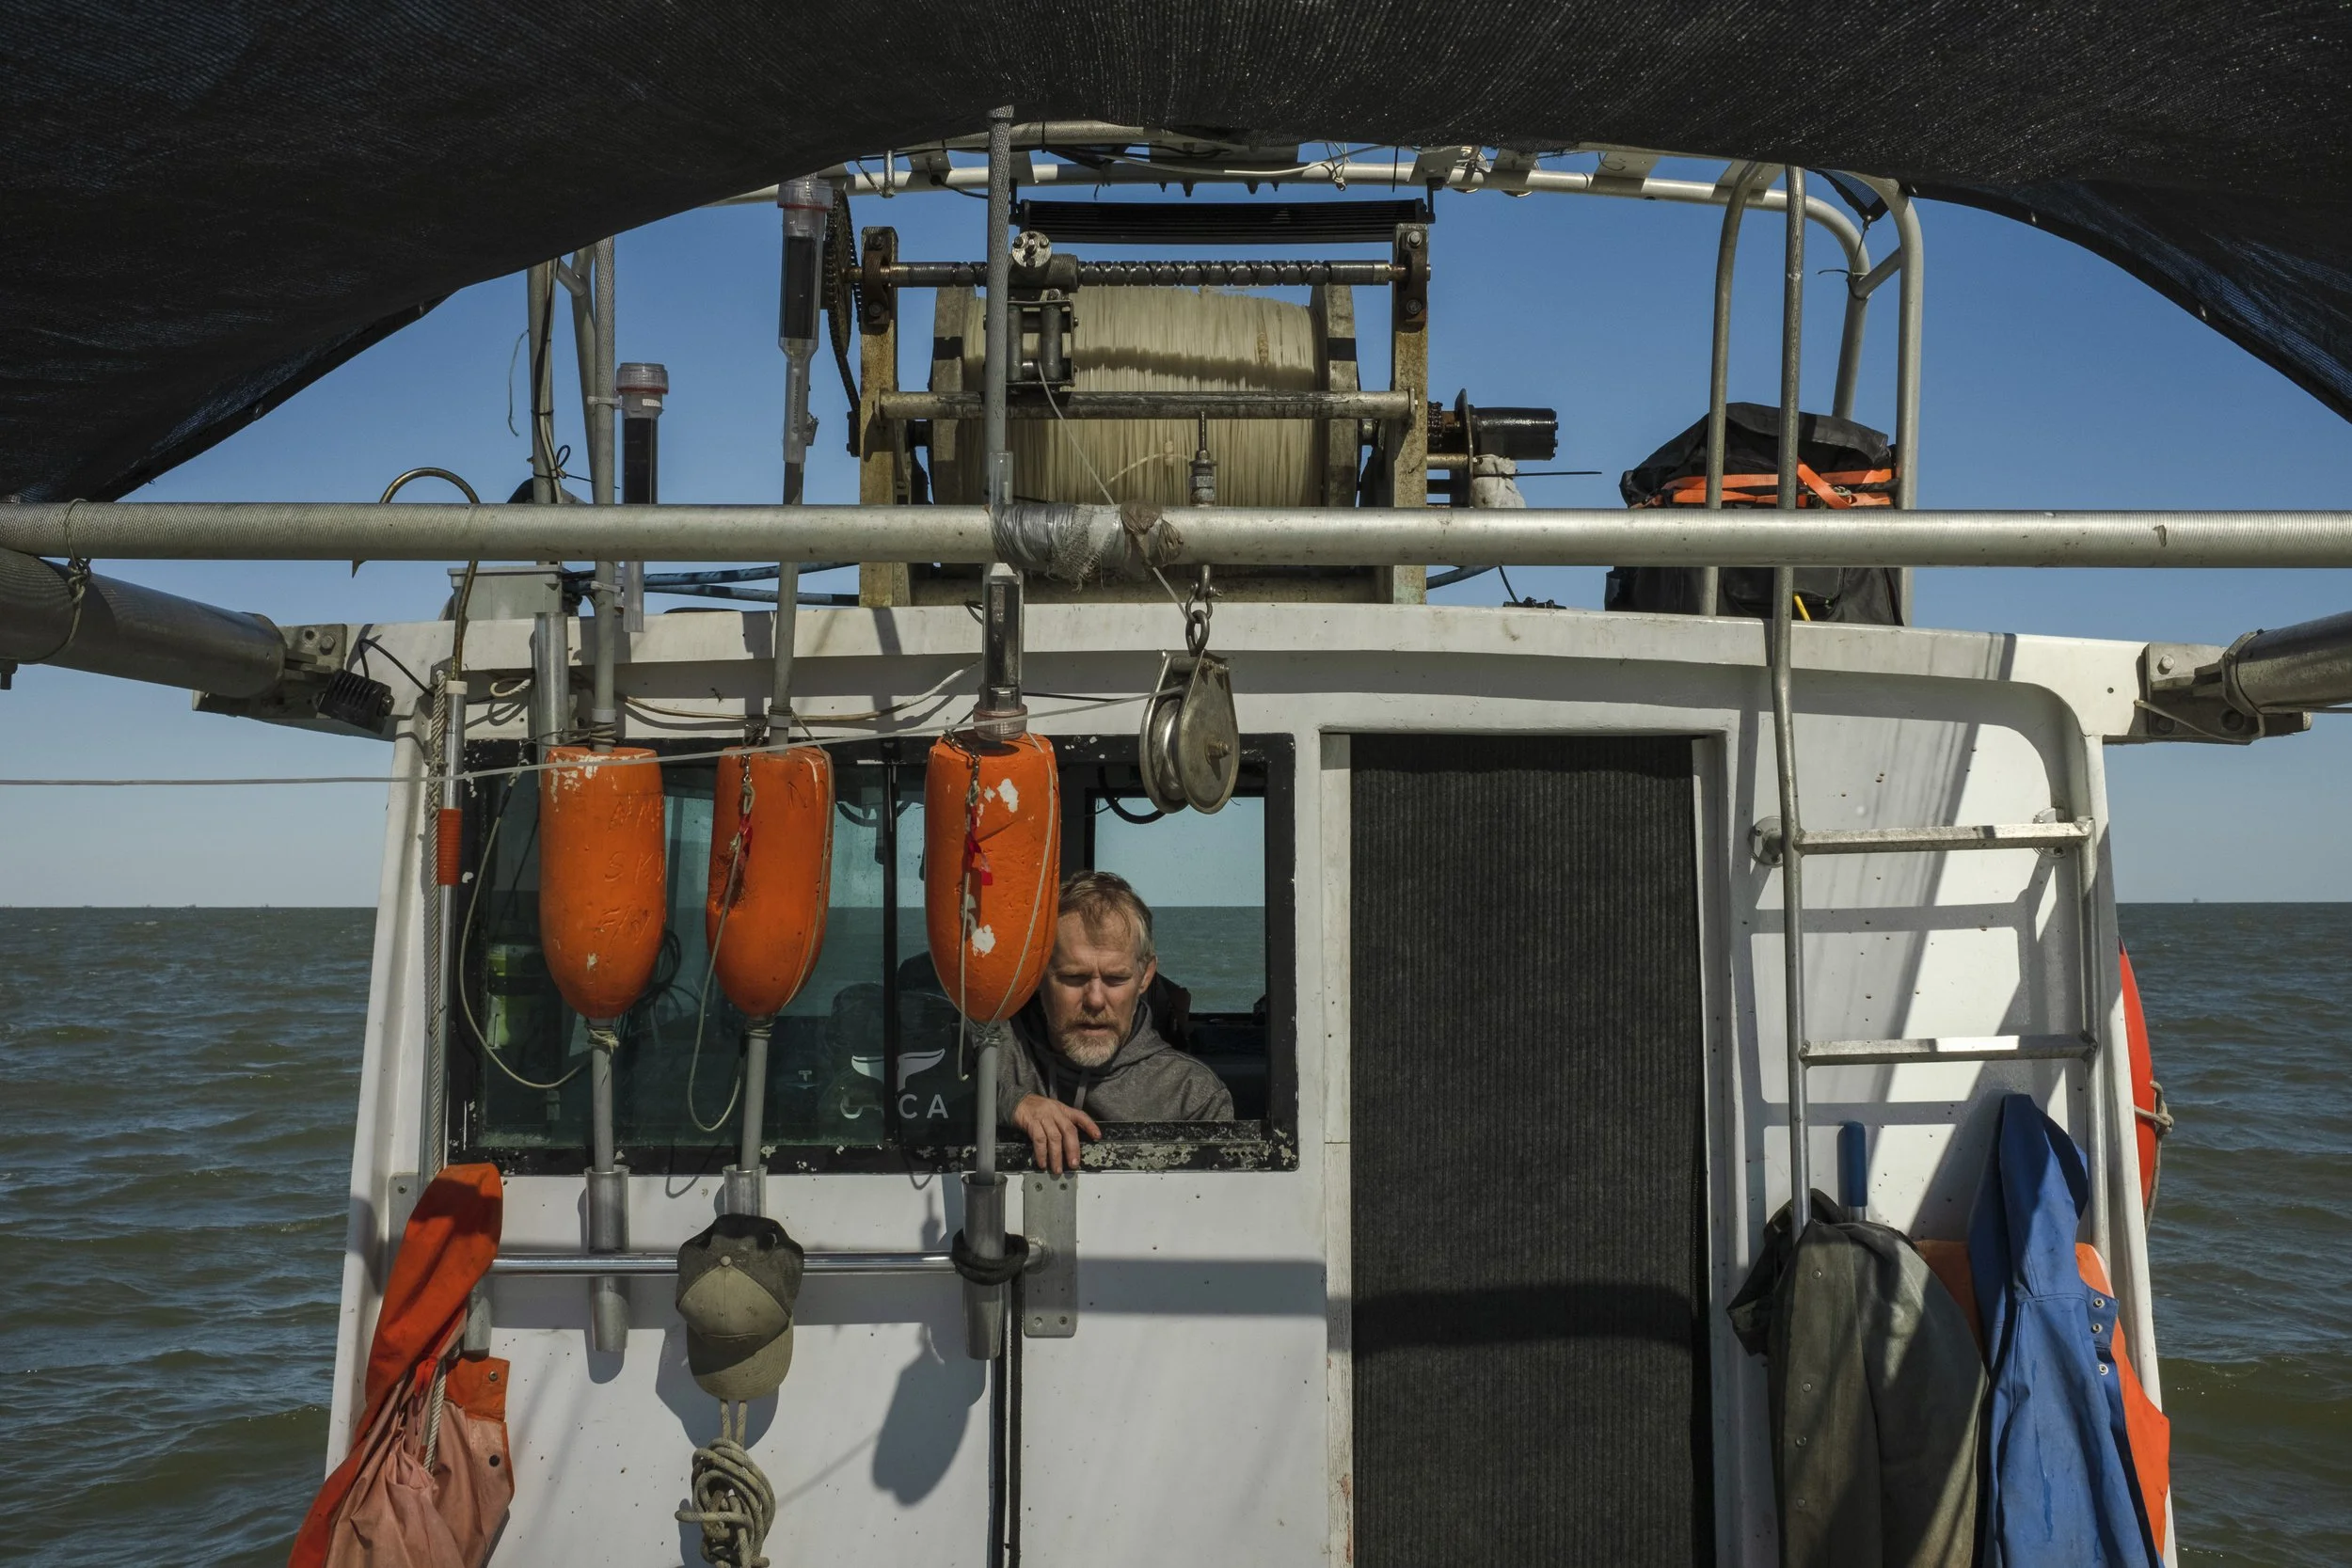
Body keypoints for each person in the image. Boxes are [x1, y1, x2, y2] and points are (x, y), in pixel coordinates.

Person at [999, 870, 1233, 1171]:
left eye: (1115, 978)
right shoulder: (992, 1053)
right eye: (1074, 977)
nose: (1095, 1000)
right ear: (1039, 972)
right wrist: (1010, 1103)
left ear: (1146, 975)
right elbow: (930, 1089)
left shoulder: (1192, 1095)